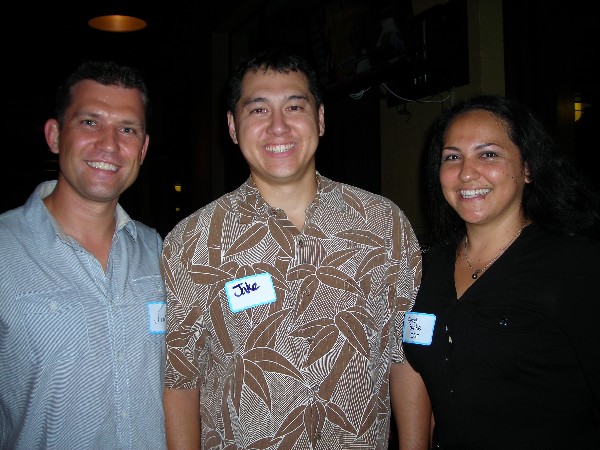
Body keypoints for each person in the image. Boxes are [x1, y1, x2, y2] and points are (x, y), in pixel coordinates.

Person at [161, 48, 425, 449]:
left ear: (320, 119)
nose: (278, 127)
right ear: (233, 127)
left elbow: (406, 357)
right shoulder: (192, 242)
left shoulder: (384, 225)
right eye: (258, 110)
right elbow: (181, 381)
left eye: (295, 107)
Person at [402, 94, 600, 449]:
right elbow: (423, 373)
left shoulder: (574, 264)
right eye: (452, 157)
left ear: (527, 169)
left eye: (488, 154)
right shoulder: (425, 267)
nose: (466, 172)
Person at [0, 60, 167, 449]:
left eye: (127, 129)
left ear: (142, 149)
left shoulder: (160, 251)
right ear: (55, 135)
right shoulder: (5, 251)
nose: (109, 145)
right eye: (90, 122)